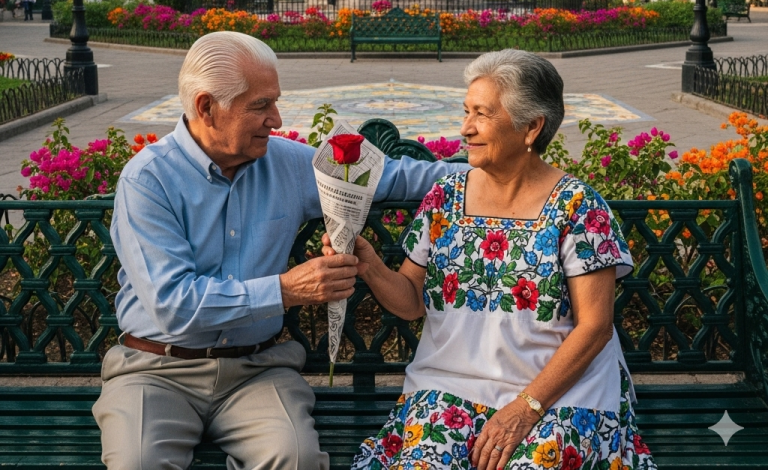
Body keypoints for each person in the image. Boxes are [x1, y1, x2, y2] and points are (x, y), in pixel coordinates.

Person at [93, 31, 464, 470]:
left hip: (257, 370)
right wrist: (286, 290)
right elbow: (173, 305)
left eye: (275, 101)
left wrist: (492, 168)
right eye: (260, 105)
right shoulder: (148, 180)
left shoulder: (286, 162)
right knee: (138, 463)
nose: (277, 117)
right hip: (154, 371)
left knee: (296, 458)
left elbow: (395, 178)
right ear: (206, 108)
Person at [338, 50, 657, 470]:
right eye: (466, 111)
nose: (465, 128)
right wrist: (370, 265)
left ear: (531, 126)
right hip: (449, 387)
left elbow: (595, 327)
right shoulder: (445, 198)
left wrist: (526, 407)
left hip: (558, 394)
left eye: (482, 115)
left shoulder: (578, 208)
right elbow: (411, 300)